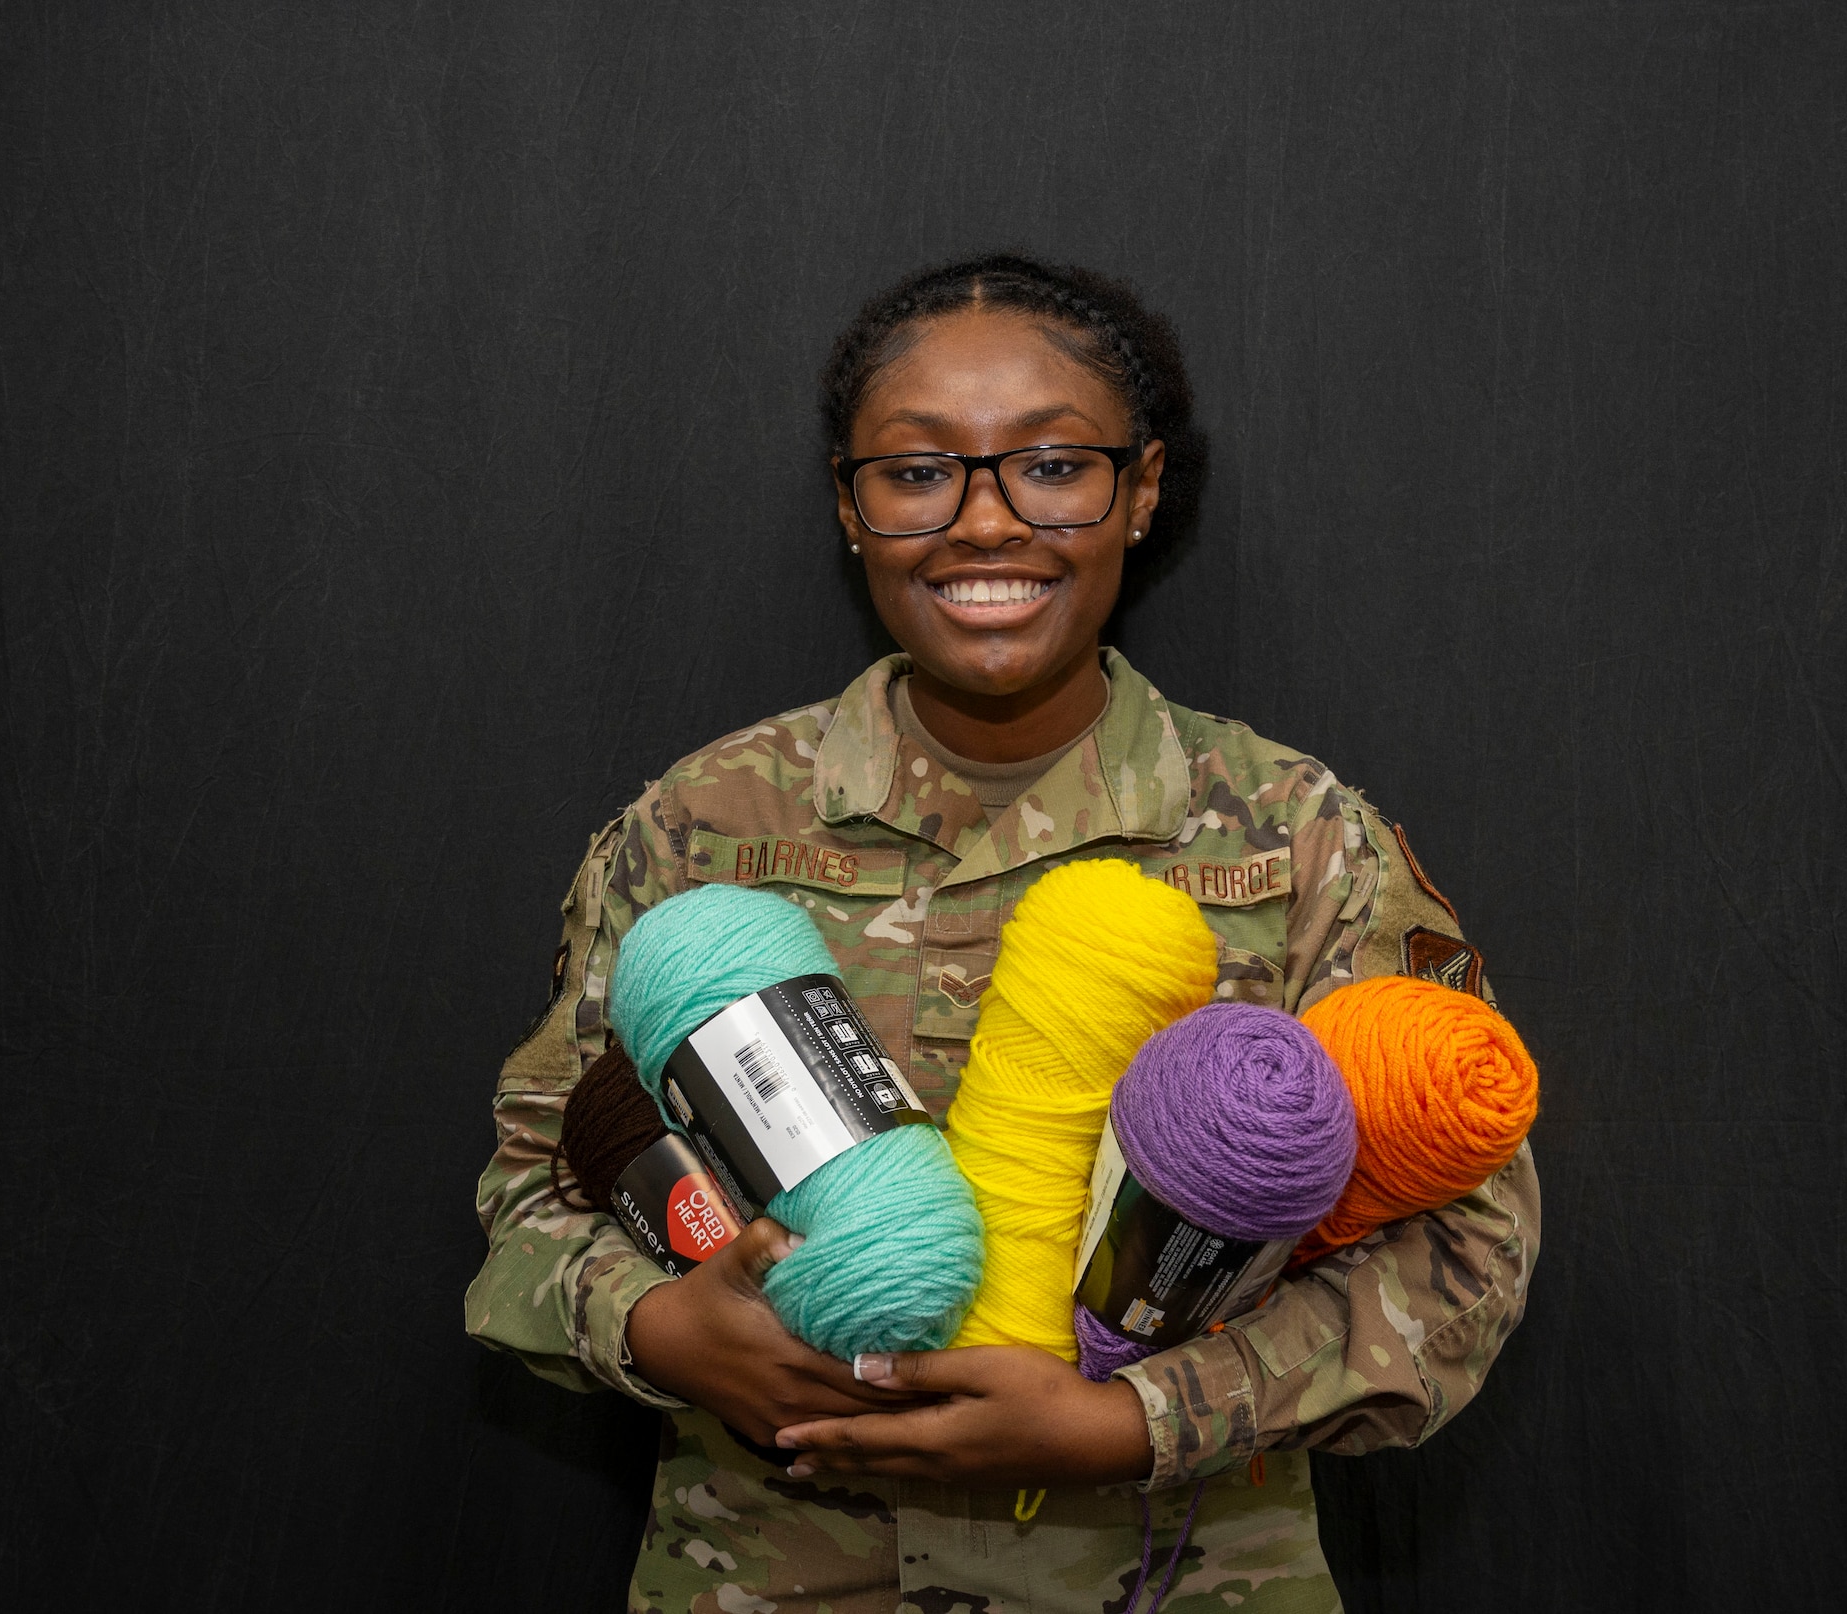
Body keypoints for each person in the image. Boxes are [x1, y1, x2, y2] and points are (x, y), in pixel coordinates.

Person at [465, 254, 1541, 1614]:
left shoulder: (1295, 833)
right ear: (851, 510)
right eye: (916, 473)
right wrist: (662, 1326)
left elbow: (1467, 1249)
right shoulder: (705, 824)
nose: (983, 522)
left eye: (1051, 464)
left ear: (1140, 491)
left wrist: (1143, 1415)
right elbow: (532, 1180)